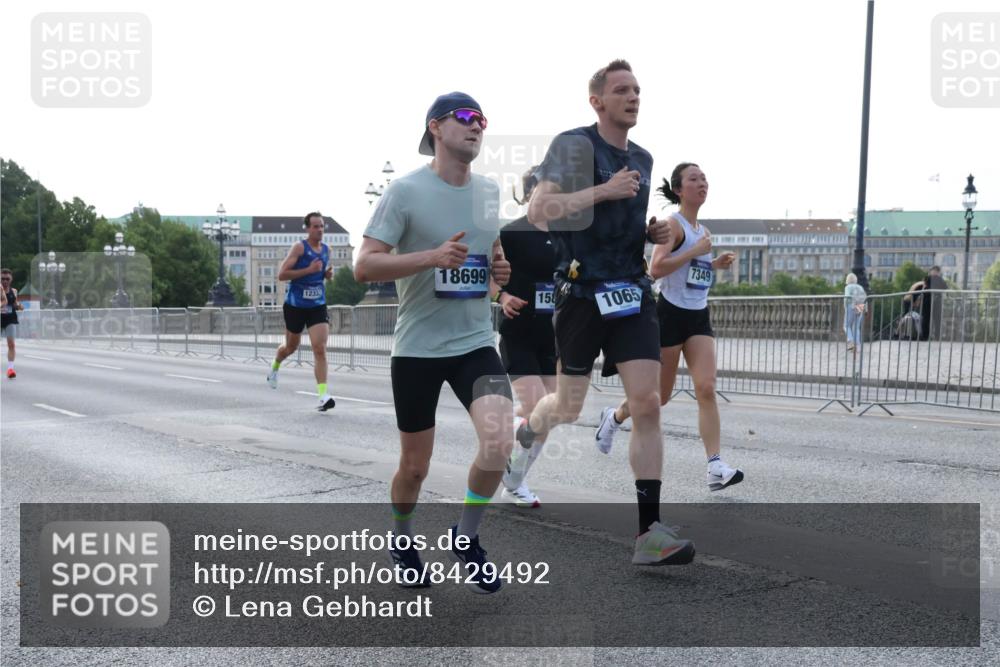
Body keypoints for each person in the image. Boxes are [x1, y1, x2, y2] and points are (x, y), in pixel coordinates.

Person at [516, 60, 695, 566]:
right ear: (597, 101)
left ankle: (648, 535)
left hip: (632, 291)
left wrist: (651, 233)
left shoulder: (642, 154)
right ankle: (529, 430)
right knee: (566, 407)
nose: (633, 97)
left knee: (648, 403)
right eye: (622, 90)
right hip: (581, 292)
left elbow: (621, 223)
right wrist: (604, 190)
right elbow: (538, 212)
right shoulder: (574, 146)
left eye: (637, 89)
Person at [355, 91, 514, 594]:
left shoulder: (489, 192)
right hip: (418, 347)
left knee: (499, 441)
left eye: (482, 120)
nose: (476, 126)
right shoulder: (403, 192)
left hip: (474, 342)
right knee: (415, 467)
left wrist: (498, 274)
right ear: (436, 128)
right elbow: (364, 265)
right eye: (466, 118)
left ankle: (465, 538)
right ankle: (402, 539)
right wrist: (430, 257)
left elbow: (492, 255)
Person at [594, 163, 744, 493]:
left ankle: (715, 465)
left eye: (704, 177)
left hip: (698, 316)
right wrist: (695, 251)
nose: (702, 183)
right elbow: (657, 268)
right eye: (694, 179)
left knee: (706, 387)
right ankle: (615, 416)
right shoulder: (673, 225)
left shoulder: (702, 230)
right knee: (657, 397)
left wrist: (713, 263)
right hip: (670, 315)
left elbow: (692, 268)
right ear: (679, 189)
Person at [494, 168, 557, 508]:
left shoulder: (566, 234)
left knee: (551, 412)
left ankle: (514, 479)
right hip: (518, 330)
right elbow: (493, 274)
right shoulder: (512, 232)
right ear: (531, 191)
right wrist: (502, 297)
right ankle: (514, 479)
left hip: (552, 334)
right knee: (537, 407)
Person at [266, 212, 336, 411]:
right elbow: (282, 274)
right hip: (295, 306)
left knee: (319, 348)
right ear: (307, 228)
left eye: (322, 226)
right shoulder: (299, 248)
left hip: (317, 305)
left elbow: (319, 274)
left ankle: (323, 396)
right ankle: (275, 367)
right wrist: (309, 270)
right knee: (290, 347)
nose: (319, 230)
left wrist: (326, 274)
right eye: (315, 226)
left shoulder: (326, 250)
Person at [1, 269, 23, 379]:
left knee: (11, 344)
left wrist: (19, 306)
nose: (5, 281)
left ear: (11, 279)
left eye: (7, 279)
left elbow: (14, 304)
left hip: (10, 319)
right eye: (2, 279)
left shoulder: (14, 291)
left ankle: (10, 369)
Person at [843, 272, 867, 352]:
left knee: (846, 325)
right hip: (860, 306)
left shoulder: (848, 287)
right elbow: (865, 297)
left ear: (847, 280)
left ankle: (850, 341)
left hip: (851, 305)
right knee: (856, 327)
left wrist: (845, 306)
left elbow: (847, 297)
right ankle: (857, 346)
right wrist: (865, 309)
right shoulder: (860, 287)